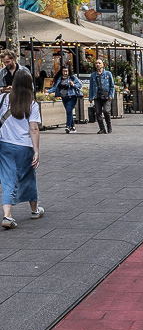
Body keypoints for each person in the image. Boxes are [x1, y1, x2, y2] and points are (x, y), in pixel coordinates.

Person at [0, 70, 43, 229]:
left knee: (7, 178)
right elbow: (34, 129)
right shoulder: (32, 104)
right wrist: (36, 151)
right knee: (29, 177)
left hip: (4, 145)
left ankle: (7, 215)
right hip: (24, 147)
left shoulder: (3, 98)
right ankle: (34, 210)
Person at [53, 64, 82, 133]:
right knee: (69, 112)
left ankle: (68, 126)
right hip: (64, 97)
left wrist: (73, 85)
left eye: (66, 71)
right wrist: (48, 91)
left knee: (69, 110)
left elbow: (80, 85)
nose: (65, 73)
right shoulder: (60, 78)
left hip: (72, 96)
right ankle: (73, 127)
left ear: (69, 71)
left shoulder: (73, 78)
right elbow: (55, 87)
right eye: (64, 71)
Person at [88, 58, 115, 134]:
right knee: (98, 112)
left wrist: (111, 95)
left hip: (106, 95)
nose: (98, 65)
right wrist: (90, 97)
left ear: (103, 65)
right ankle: (102, 128)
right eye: (96, 63)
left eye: (99, 63)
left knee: (106, 111)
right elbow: (91, 87)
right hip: (97, 96)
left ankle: (109, 126)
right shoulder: (93, 75)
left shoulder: (108, 74)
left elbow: (112, 85)